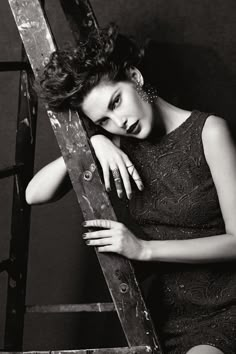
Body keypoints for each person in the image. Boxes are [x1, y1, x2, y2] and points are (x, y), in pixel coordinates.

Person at [26, 25, 236, 354]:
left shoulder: (208, 132)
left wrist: (143, 249)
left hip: (227, 306)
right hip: (161, 316)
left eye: (116, 101)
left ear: (135, 78)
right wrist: (91, 144)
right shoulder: (117, 145)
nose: (119, 121)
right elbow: (34, 194)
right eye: (104, 119)